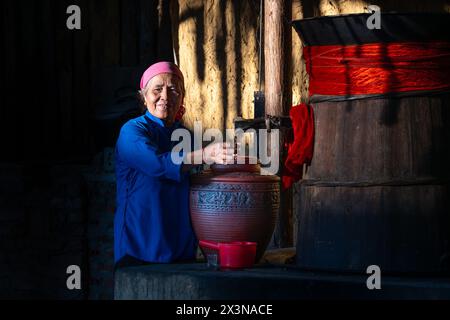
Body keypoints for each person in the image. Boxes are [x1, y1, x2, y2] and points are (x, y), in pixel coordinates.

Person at [114, 61, 233, 269]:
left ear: (182, 97)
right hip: (139, 247)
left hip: (180, 249)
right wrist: (205, 154)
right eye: (157, 90)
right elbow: (157, 164)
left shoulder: (185, 136)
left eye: (173, 90)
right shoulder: (131, 131)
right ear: (143, 96)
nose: (165, 98)